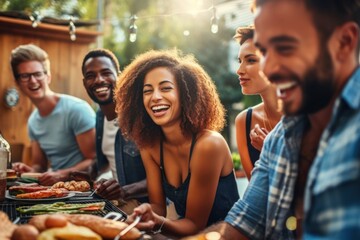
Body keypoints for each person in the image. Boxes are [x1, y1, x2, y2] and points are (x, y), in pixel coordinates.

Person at [185, 0, 360, 239]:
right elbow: (242, 224)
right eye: (265, 51)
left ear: (345, 42)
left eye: (285, 47)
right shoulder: (280, 139)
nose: (269, 68)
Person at [114, 49, 239, 237]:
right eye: (147, 91)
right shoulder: (150, 146)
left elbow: (195, 225)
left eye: (165, 88)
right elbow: (158, 207)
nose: (155, 97)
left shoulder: (208, 145)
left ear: (186, 94)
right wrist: (142, 213)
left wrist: (156, 221)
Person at [10, 44, 96, 186]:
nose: (32, 81)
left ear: (48, 76)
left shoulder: (76, 109)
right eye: (25, 76)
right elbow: (40, 166)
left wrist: (62, 174)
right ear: (17, 82)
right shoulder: (33, 121)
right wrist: (28, 171)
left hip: (84, 188)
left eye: (37, 74)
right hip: (56, 189)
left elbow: (94, 160)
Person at [80, 48, 147, 209]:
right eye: (91, 76)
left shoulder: (140, 118)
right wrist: (92, 175)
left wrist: (123, 191)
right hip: (116, 203)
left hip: (145, 206)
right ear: (84, 83)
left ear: (119, 75)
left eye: (106, 73)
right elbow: (106, 162)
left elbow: (167, 178)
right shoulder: (99, 117)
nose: (99, 80)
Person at [234, 26, 281, 179]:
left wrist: (270, 150)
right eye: (240, 61)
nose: (239, 70)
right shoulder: (244, 122)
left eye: (251, 60)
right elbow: (254, 192)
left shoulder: (310, 115)